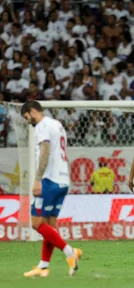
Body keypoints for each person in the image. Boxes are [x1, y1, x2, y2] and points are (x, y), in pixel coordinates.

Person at [20, 101, 82, 277]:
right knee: (50, 226)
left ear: (33, 111)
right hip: (63, 180)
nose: (27, 121)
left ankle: (70, 252)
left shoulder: (42, 126)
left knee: (36, 223)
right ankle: (43, 266)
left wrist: (37, 179)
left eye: (27, 117)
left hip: (49, 180)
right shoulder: (57, 125)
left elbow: (45, 151)